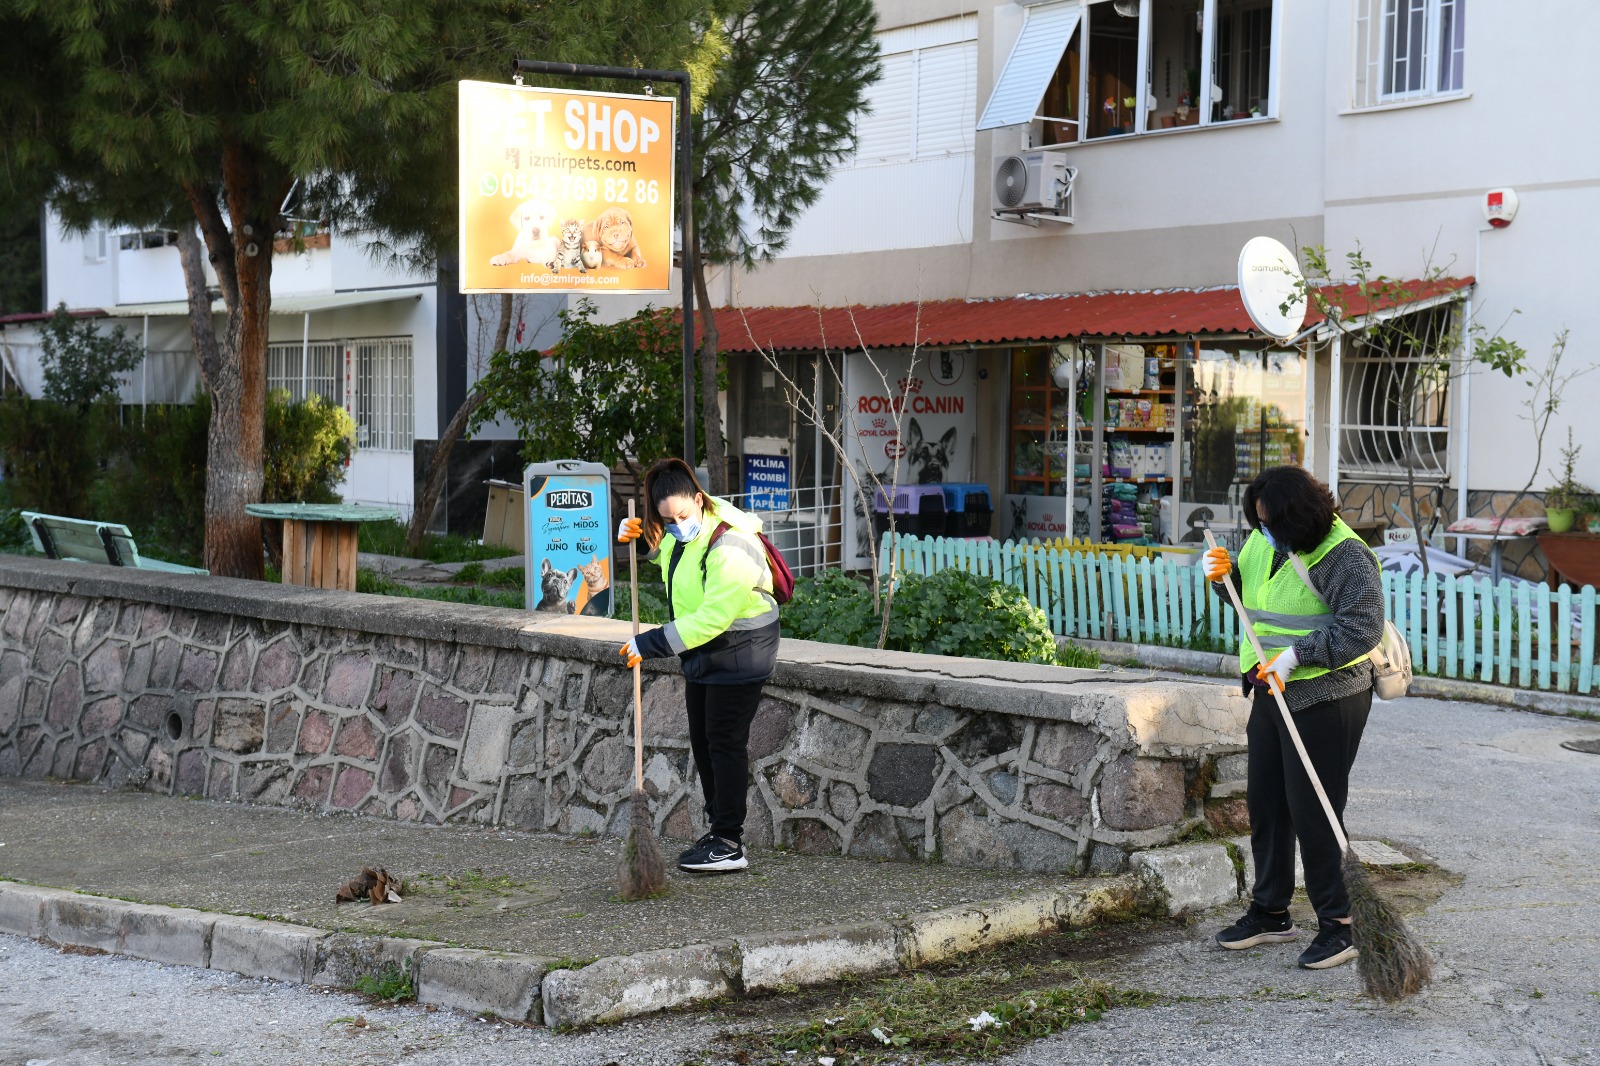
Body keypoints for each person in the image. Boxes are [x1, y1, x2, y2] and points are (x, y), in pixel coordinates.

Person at [1202, 465, 1385, 970]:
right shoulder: (1265, 540)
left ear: (1299, 517)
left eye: (1270, 523)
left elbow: (1363, 627)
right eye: (1258, 522)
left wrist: (1298, 655)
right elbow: (1253, 604)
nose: (1263, 531)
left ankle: (1341, 924)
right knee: (1267, 803)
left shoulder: (1345, 554)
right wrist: (1223, 578)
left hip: (1327, 694)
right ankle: (1271, 911)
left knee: (1314, 810)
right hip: (1270, 688)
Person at [616, 458, 780, 874]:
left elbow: (714, 617)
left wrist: (649, 643)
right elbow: (671, 561)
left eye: (682, 515)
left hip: (742, 648)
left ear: (698, 498)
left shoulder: (731, 543)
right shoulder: (684, 535)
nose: (677, 525)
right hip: (704, 650)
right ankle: (719, 832)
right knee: (705, 742)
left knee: (724, 741)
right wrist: (640, 541)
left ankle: (729, 843)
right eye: (667, 520)